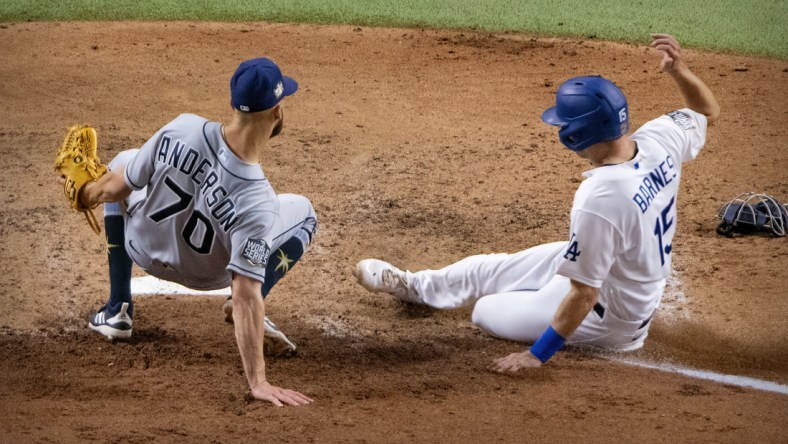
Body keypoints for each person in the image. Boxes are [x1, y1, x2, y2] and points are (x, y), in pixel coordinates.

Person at [353, 34, 719, 373]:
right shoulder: (659, 139)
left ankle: (533, 309)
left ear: (578, 133)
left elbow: (585, 292)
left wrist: (535, 354)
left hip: (612, 319)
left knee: (484, 311)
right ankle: (416, 287)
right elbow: (707, 112)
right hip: (618, 269)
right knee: (494, 269)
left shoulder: (602, 196)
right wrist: (680, 71)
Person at [74, 57, 317, 406]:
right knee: (304, 214)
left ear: (233, 105)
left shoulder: (181, 127)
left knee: (122, 165)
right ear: (277, 112)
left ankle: (117, 309)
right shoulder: (258, 202)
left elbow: (112, 188)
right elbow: (247, 290)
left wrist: (86, 194)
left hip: (141, 247)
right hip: (209, 274)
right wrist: (258, 382)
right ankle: (224, 304)